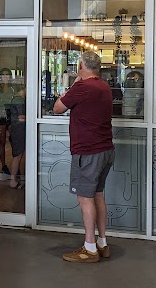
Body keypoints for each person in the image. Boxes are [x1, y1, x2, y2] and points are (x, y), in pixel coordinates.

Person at [52, 51, 114, 263]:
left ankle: (89, 248)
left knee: (85, 198)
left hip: (88, 152)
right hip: (106, 149)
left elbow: (57, 108)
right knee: (98, 195)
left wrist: (74, 84)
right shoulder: (104, 86)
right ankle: (102, 243)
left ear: (81, 66)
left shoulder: (82, 87)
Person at [0, 68, 16, 174]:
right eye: (3, 75)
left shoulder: (13, 89)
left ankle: (15, 164)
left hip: (11, 115)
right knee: (2, 141)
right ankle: (3, 165)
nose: (5, 77)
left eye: (7, 75)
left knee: (13, 141)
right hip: (1, 115)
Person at [7, 87, 26, 189]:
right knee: (18, 155)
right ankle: (12, 180)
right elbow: (21, 118)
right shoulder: (19, 100)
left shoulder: (17, 99)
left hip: (17, 129)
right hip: (19, 130)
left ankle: (16, 178)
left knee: (18, 155)